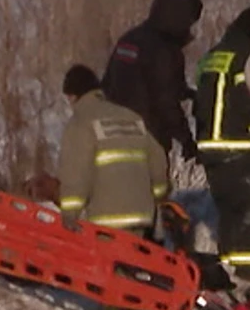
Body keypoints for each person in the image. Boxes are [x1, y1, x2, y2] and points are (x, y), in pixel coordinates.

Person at [193, 7, 250, 281]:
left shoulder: (212, 57)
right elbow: (249, 104)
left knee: (231, 214)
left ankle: (229, 274)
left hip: (211, 151)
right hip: (240, 148)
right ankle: (247, 277)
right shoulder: (247, 58)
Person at [55, 64, 170, 242]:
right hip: (142, 218)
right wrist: (157, 196)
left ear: (72, 97)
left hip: (107, 223)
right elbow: (158, 163)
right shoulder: (131, 117)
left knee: (112, 269)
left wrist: (69, 215)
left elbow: (75, 174)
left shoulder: (80, 122)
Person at [102, 0, 204, 163]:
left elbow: (108, 85)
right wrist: (186, 140)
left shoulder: (129, 40)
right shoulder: (163, 50)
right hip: (148, 142)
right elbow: (165, 101)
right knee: (151, 191)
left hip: (111, 139)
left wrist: (186, 92)